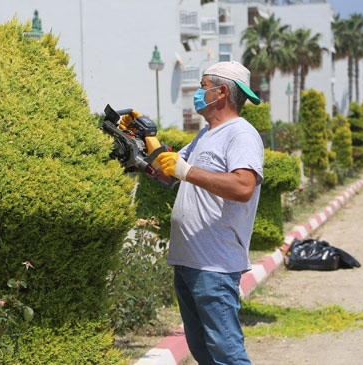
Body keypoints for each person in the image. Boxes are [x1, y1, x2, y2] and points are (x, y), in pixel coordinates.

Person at [156, 61, 264, 365]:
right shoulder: (205, 135)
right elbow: (168, 171)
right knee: (203, 351)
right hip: (189, 261)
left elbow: (243, 186)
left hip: (214, 266)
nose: (198, 92)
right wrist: (143, 143)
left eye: (203, 86)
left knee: (226, 353)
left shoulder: (240, 134)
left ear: (222, 92)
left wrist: (187, 171)